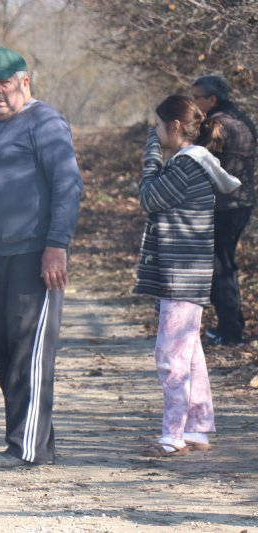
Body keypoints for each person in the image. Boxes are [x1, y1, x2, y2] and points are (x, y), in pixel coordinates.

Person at [0, 48, 83, 469]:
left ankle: (27, 448)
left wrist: (56, 245)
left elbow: (67, 185)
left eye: (4, 82)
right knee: (5, 354)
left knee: (29, 353)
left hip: (33, 253)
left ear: (24, 81)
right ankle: (34, 442)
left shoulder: (46, 122)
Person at [135, 95, 240, 457]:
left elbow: (148, 196)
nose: (156, 132)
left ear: (175, 127)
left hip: (182, 276)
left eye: (158, 126)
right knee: (190, 353)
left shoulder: (186, 167)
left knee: (171, 357)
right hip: (186, 274)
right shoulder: (191, 164)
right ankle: (196, 429)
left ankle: (172, 437)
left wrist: (150, 151)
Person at [191, 75, 256, 346]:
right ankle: (232, 328)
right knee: (224, 265)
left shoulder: (216, 125)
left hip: (222, 206)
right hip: (241, 203)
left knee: (220, 268)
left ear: (212, 99)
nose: (194, 103)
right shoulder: (242, 119)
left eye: (197, 97)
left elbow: (199, 165)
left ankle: (231, 332)